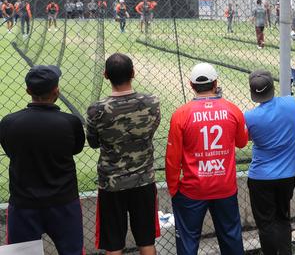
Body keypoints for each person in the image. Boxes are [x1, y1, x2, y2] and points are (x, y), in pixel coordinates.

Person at [0, 65, 85, 254]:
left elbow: (10, 150)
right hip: (64, 202)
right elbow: (76, 149)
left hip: (24, 205)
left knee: (22, 253)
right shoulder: (70, 122)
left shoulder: (8, 122)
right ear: (56, 90)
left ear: (28, 91)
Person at [166, 63, 247, 255]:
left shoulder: (181, 114)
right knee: (231, 237)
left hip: (192, 189)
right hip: (225, 187)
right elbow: (242, 143)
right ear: (215, 83)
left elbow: (172, 158)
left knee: (188, 241)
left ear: (191, 85)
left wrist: (173, 188)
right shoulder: (232, 110)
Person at [86, 53, 161, 255]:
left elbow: (92, 142)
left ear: (105, 75)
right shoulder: (152, 102)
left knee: (114, 243)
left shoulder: (97, 110)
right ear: (133, 73)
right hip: (143, 180)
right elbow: (150, 131)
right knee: (146, 240)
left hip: (112, 184)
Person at [244, 70, 295, 254]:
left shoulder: (250, 117)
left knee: (266, 224)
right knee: (283, 219)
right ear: (273, 88)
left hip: (261, 177)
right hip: (287, 175)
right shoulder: (291, 104)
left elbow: (246, 139)